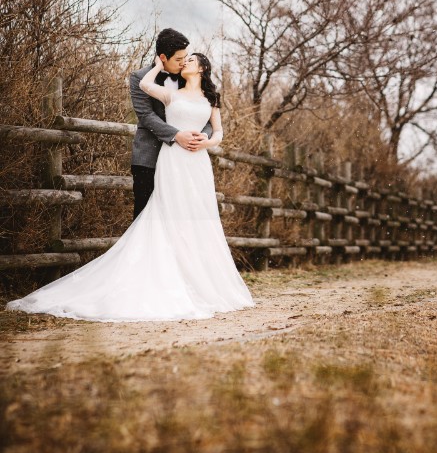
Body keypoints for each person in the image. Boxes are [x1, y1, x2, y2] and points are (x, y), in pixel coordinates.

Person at [7, 51, 254, 321]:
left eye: (191, 61)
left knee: (199, 217)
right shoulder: (172, 94)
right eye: (184, 60)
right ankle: (170, 276)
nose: (185, 63)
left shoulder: (211, 99)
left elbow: (218, 132)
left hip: (198, 163)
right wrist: (158, 65)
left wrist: (206, 143)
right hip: (172, 160)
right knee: (169, 211)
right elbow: (145, 86)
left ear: (203, 68)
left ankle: (201, 280)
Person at [130, 27, 212, 219]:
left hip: (184, 161)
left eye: (186, 57)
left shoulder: (188, 77)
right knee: (145, 217)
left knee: (180, 216)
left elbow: (205, 114)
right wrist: (176, 135)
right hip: (148, 158)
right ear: (163, 57)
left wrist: (203, 136)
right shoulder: (139, 77)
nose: (184, 63)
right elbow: (146, 115)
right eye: (179, 59)